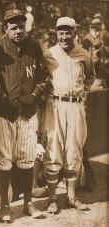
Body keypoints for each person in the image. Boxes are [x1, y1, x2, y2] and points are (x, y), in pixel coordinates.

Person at [0, 9, 50, 223]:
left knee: (26, 159)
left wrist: (33, 97)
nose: (18, 30)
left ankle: (28, 202)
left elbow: (44, 77)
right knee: (3, 159)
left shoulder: (33, 47)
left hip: (28, 111)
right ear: (5, 28)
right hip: (4, 112)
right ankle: (5, 206)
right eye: (13, 27)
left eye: (21, 26)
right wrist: (6, 101)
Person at [42, 17, 95, 214]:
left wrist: (83, 95)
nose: (64, 36)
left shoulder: (83, 54)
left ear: (75, 32)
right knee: (53, 150)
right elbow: (42, 79)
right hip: (54, 104)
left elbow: (90, 76)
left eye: (68, 32)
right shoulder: (49, 54)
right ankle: (53, 198)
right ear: (56, 33)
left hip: (75, 106)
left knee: (74, 150)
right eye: (60, 32)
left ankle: (72, 197)